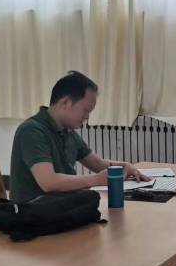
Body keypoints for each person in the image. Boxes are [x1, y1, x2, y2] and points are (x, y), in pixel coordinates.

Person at [9, 71, 150, 202]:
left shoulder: (67, 131)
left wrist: (125, 166)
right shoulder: (32, 131)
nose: (87, 116)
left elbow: (98, 164)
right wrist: (96, 179)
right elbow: (49, 182)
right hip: (33, 214)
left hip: (60, 207)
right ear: (65, 103)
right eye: (86, 110)